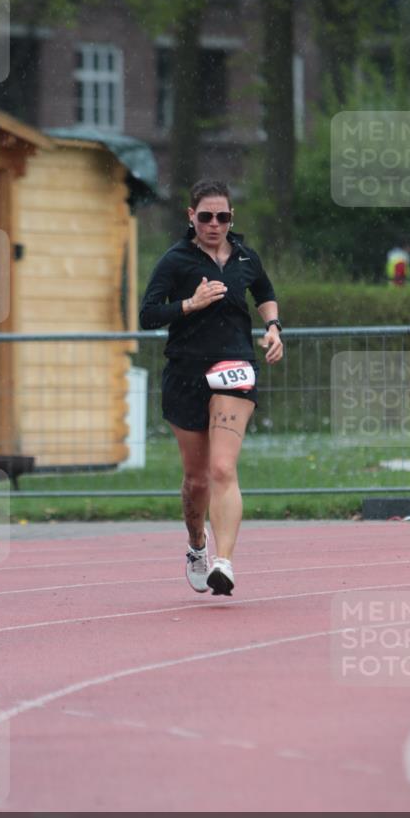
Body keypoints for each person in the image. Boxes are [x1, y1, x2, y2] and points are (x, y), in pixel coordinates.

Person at [139, 179, 284, 596]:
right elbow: (148, 314)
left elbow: (266, 292)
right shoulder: (175, 260)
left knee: (223, 468)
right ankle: (197, 545)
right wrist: (190, 304)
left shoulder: (244, 257)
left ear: (231, 218)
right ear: (191, 217)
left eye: (222, 217)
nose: (214, 224)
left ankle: (225, 562)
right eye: (206, 217)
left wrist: (273, 327)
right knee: (197, 480)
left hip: (234, 368)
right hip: (185, 374)